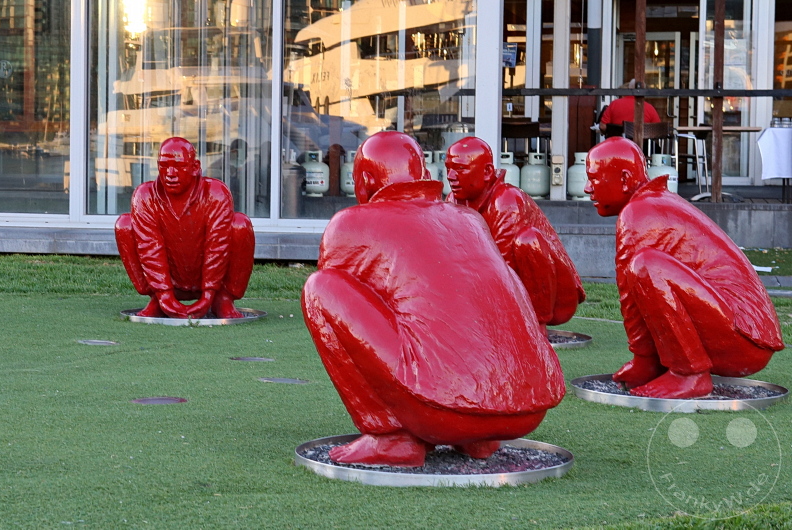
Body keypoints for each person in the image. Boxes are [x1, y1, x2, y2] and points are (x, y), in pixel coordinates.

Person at [301, 131, 564, 467]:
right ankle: (480, 441)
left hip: (444, 411)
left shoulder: (351, 223)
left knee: (320, 288)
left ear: (365, 181)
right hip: (527, 408)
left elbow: (344, 306)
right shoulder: (469, 219)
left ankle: (391, 438)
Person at [584, 137, 784, 399]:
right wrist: (646, 362)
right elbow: (640, 295)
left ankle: (689, 374)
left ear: (623, 179)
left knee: (646, 266)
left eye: (595, 178)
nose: (588, 188)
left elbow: (628, 294)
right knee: (645, 269)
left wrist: (643, 358)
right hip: (745, 334)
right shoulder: (653, 201)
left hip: (743, 339)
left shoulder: (638, 212)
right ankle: (673, 368)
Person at [446, 137, 585, 328]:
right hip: (501, 286)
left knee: (527, 241)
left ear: (487, 172)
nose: (450, 176)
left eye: (460, 169)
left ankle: (536, 329)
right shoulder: (453, 199)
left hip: (556, 296)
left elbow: (502, 267)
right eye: (448, 168)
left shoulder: (506, 200)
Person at [115, 137, 255, 319]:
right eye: (164, 166)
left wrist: (209, 294)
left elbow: (217, 245)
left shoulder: (215, 193)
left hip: (210, 276)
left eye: (179, 166)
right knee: (125, 225)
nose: (170, 173)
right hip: (168, 276)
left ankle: (223, 298)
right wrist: (163, 294)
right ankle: (156, 298)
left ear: (195, 167)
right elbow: (149, 246)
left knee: (240, 225)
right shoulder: (145, 195)